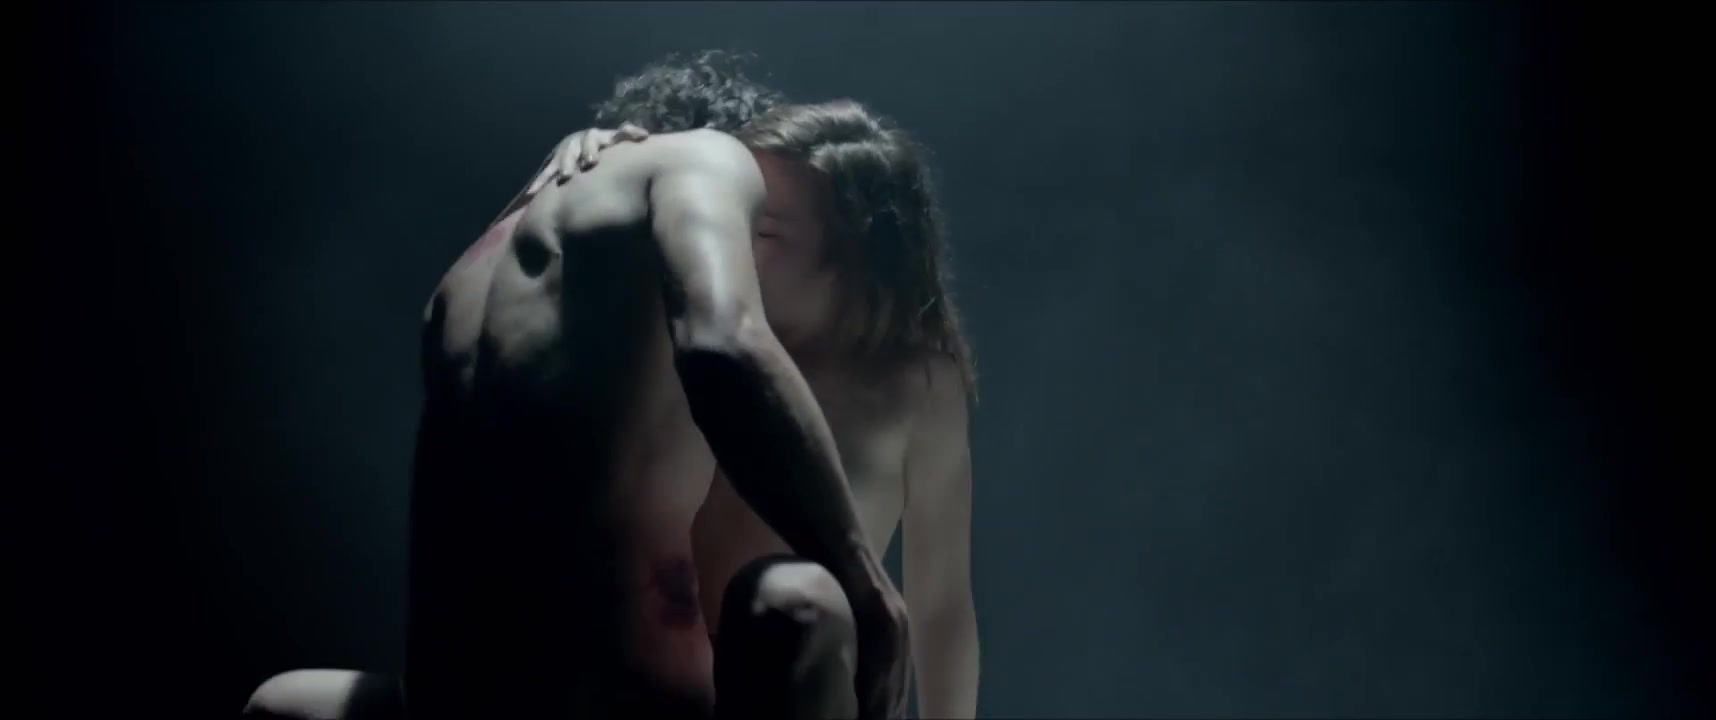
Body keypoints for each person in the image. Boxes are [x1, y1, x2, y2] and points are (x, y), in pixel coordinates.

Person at [244, 51, 909, 720]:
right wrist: (866, 581)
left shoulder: (478, 264)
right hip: (621, 703)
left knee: (286, 702)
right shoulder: (705, 158)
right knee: (802, 600)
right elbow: (723, 345)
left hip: (460, 703)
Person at [689, 101, 981, 718]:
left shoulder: (917, 385)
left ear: (853, 251)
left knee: (796, 601)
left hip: (819, 694)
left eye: (765, 231)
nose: (725, 241)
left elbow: (941, 607)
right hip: (674, 688)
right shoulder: (691, 352)